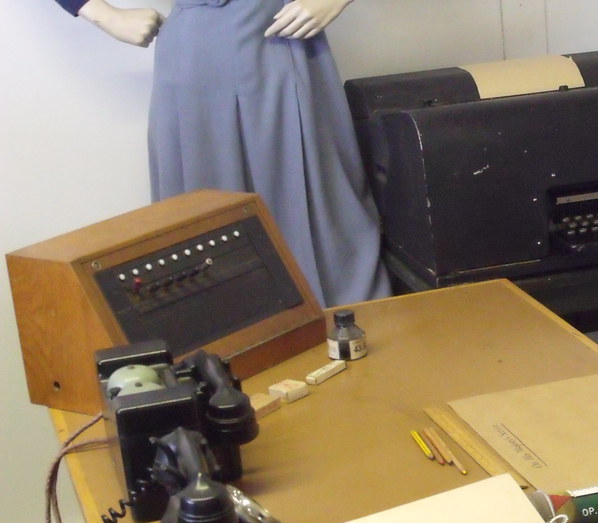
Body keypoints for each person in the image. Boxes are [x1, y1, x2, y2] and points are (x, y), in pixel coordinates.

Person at [52, 0, 391, 307]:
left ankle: (357, 349)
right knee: (204, 227)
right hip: (194, 51)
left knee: (323, 215)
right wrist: (102, 13)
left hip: (282, 35)